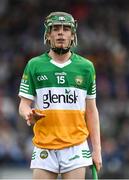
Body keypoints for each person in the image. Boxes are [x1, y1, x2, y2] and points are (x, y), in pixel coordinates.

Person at [18, 11, 102, 179]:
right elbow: (24, 104)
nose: (61, 33)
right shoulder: (34, 65)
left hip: (76, 145)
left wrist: (97, 150)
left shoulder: (86, 67)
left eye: (66, 29)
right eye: (56, 29)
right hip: (44, 145)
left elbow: (92, 111)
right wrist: (28, 114)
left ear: (72, 35)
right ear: (48, 34)